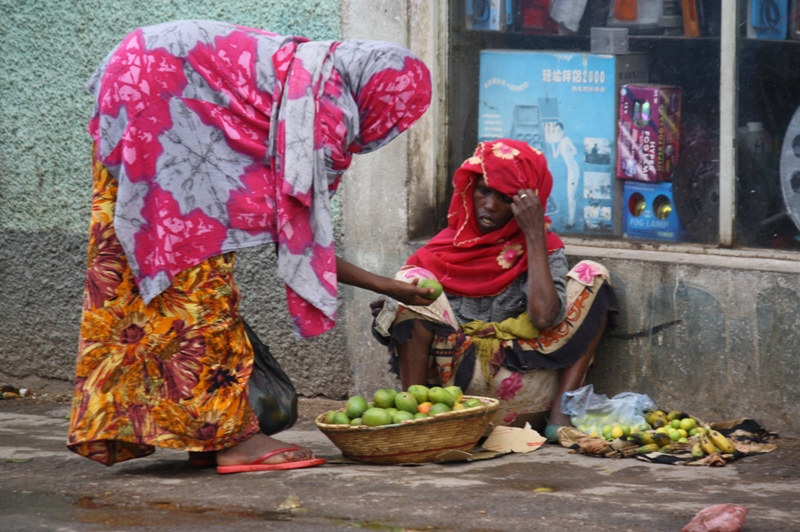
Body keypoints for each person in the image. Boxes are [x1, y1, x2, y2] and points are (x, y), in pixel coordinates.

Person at [67, 19, 435, 473]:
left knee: (129, 273)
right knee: (197, 286)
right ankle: (232, 440)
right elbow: (303, 237)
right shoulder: (325, 106)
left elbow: (298, 233)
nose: (387, 126)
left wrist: (390, 288)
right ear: (380, 96)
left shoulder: (313, 74)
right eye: (395, 113)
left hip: (134, 85)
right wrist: (388, 286)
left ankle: (190, 429)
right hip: (160, 92)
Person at [370, 139, 618, 440]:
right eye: (484, 191)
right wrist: (395, 309)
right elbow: (409, 329)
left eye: (505, 197)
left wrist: (534, 235)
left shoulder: (543, 246)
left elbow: (544, 317)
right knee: (411, 280)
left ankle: (561, 414)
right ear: (468, 189)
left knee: (593, 274)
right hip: (455, 392)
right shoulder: (439, 251)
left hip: (528, 388)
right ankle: (416, 422)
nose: (490, 205)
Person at [549, 122, 580, 228]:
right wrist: (553, 143)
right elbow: (555, 155)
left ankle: (571, 222)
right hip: (569, 170)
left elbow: (575, 151)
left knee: (571, 196)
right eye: (556, 131)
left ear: (563, 131)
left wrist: (567, 154)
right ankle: (571, 221)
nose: (558, 132)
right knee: (569, 196)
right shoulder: (560, 142)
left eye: (559, 130)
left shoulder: (566, 139)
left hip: (574, 170)